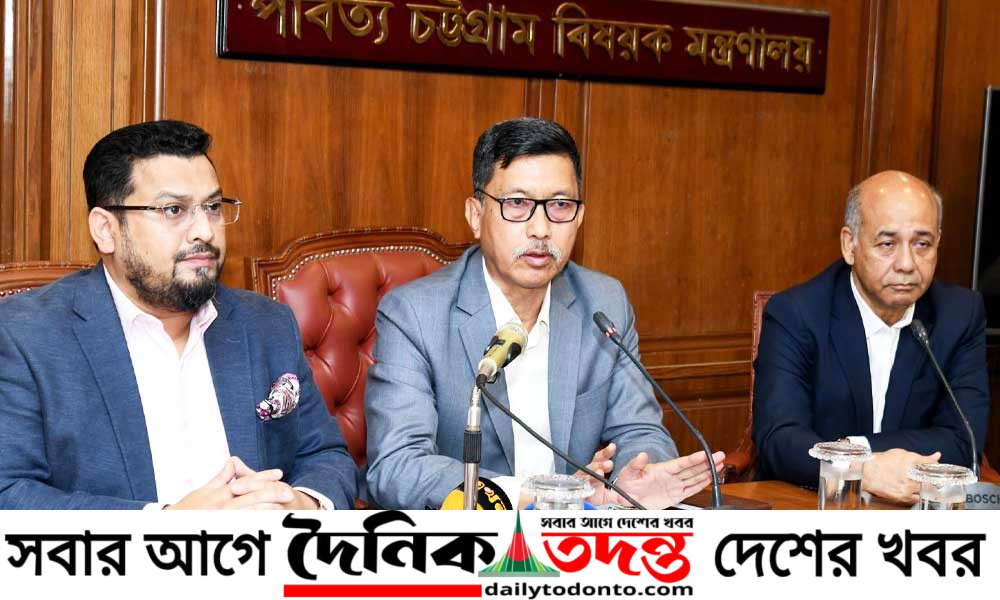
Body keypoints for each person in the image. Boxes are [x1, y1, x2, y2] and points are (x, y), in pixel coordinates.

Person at [364, 117, 723, 509]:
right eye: (517, 204)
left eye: (560, 205)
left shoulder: (603, 302)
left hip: (580, 532)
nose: (541, 229)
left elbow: (640, 431)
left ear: (579, 217)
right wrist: (540, 497)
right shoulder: (415, 314)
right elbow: (398, 465)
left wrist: (631, 480)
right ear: (476, 215)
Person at [0, 120, 357, 509]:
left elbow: (325, 455)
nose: (204, 230)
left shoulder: (266, 324)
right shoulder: (25, 336)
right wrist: (165, 526)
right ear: (106, 230)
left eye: (213, 207)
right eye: (174, 210)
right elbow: (9, 492)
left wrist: (301, 503)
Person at [753, 170, 990, 504]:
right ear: (849, 245)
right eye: (887, 244)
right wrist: (866, 467)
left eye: (922, 244)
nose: (907, 264)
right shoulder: (796, 313)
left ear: (938, 241)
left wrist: (857, 456)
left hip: (913, 511)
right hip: (815, 507)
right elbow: (779, 440)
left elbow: (964, 441)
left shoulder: (959, 315)